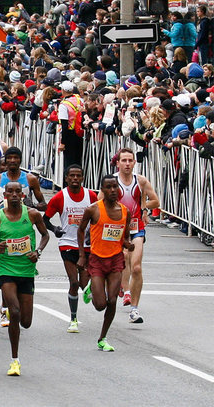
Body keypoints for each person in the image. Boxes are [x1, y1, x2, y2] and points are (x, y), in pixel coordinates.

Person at [0, 181, 50, 376]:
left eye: (18, 192)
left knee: (26, 321)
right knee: (14, 312)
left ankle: (9, 308)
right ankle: (15, 360)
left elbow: (45, 235)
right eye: (10, 192)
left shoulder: (31, 214)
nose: (14, 195)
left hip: (26, 270)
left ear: (22, 195)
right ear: (4, 195)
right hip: (6, 269)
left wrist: (37, 251)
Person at [78, 174, 135, 352]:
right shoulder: (93, 209)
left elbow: (124, 237)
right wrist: (81, 255)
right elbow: (80, 231)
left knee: (112, 301)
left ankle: (102, 337)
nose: (112, 191)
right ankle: (92, 290)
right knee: (100, 305)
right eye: (108, 187)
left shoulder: (125, 211)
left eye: (115, 187)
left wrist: (127, 244)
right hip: (97, 260)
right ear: (102, 190)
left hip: (116, 260)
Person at [44, 164, 96, 332]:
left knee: (84, 284)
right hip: (67, 242)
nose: (75, 178)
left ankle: (92, 289)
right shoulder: (60, 197)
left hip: (87, 244)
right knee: (74, 282)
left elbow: (100, 216)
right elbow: (45, 219)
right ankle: (73, 319)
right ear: (66, 178)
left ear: (82, 178)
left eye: (78, 176)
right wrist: (55, 229)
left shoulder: (91, 196)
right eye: (71, 176)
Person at [113, 148, 159, 323]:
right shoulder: (112, 181)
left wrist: (144, 206)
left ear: (134, 163)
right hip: (117, 228)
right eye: (123, 160)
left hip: (136, 227)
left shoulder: (140, 181)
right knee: (123, 257)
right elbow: (99, 201)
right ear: (118, 163)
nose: (127, 164)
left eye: (130, 160)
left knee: (137, 266)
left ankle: (134, 309)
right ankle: (124, 290)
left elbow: (156, 201)